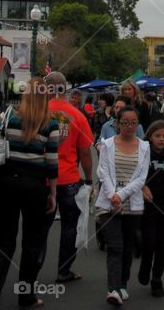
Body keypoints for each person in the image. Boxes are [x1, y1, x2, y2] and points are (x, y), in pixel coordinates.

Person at [0, 78, 60, 309]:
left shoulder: (8, 115)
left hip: (6, 181)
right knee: (32, 242)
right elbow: (51, 162)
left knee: (4, 239)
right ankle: (26, 295)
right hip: (34, 185)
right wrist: (53, 193)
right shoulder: (50, 122)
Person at [42, 71, 94, 286]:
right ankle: (64, 270)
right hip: (70, 178)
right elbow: (85, 153)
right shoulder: (78, 115)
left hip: (43, 179)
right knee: (69, 225)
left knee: (40, 228)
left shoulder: (38, 113)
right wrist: (89, 179)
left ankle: (31, 269)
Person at [96, 105, 150, 306]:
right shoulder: (108, 145)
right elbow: (103, 172)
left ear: (138, 124)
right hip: (108, 204)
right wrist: (113, 195)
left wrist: (121, 194)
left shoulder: (144, 147)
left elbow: (141, 178)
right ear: (117, 124)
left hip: (132, 205)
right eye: (125, 122)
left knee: (128, 247)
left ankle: (122, 284)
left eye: (133, 123)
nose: (129, 126)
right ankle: (113, 289)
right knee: (115, 246)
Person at [138, 120, 164, 297]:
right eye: (157, 136)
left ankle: (157, 279)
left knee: (162, 243)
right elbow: (134, 174)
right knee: (149, 241)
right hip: (147, 204)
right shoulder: (142, 152)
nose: (161, 139)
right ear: (150, 137)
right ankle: (145, 265)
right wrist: (141, 187)